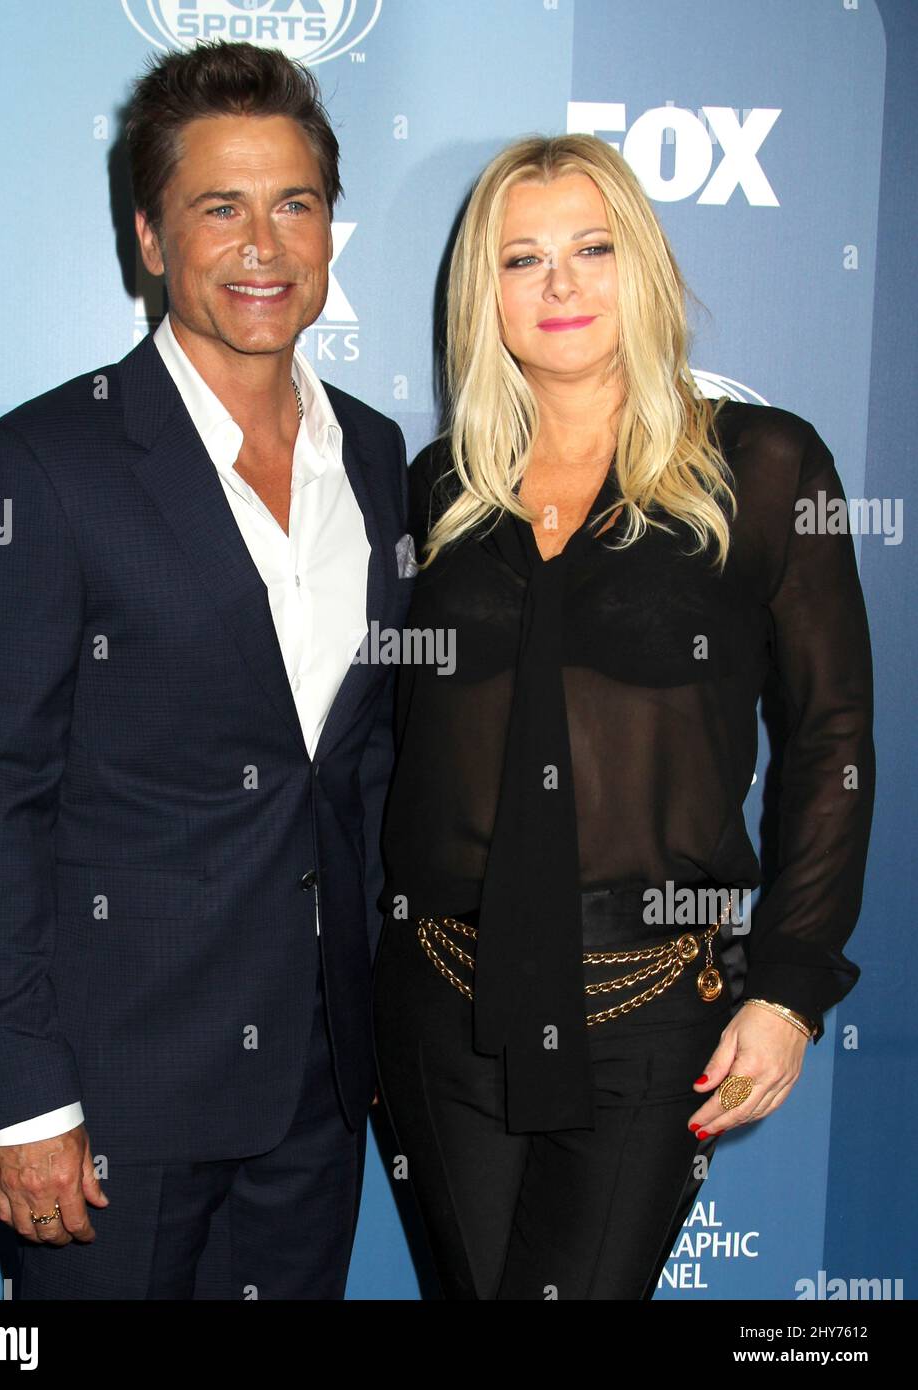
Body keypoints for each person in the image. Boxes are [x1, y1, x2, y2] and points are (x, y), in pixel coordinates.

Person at [0, 40, 413, 1300]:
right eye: (220, 207)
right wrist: (24, 1097)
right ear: (149, 239)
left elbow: (357, 767)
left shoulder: (372, 454)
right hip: (113, 1100)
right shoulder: (38, 467)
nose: (264, 244)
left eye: (294, 204)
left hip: (314, 1083)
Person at [371, 133, 875, 1301]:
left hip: (649, 1006)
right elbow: (391, 749)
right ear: (478, 294)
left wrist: (788, 984)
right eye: (520, 258)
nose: (559, 284)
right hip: (438, 1003)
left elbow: (829, 739)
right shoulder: (440, 487)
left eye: (591, 248)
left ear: (641, 266)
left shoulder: (758, 464)